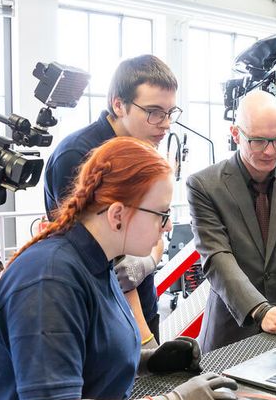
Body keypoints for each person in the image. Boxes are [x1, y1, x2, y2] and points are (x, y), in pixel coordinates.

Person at [0, 137, 237, 400]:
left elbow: (81, 357)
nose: (167, 227)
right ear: (118, 214)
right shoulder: (50, 279)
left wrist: (147, 362)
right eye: (162, 214)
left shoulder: (98, 263)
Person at [44, 54, 180, 349]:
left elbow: (159, 231)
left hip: (141, 304)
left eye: (170, 112)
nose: (166, 124)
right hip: (97, 316)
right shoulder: (78, 157)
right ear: (119, 104)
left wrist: (146, 262)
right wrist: (145, 342)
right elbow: (109, 263)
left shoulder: (145, 151)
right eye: (154, 112)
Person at [187, 90, 276, 353]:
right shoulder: (205, 186)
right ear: (235, 134)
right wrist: (260, 310)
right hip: (231, 331)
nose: (270, 151)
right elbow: (217, 257)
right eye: (258, 141)